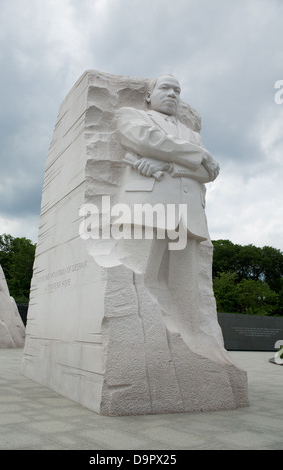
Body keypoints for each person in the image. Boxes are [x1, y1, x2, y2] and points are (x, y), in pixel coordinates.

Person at [114, 74, 231, 363]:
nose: (172, 94)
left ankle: (193, 345)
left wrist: (168, 164)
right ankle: (142, 345)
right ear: (149, 96)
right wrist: (198, 153)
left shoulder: (192, 133)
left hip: (188, 214)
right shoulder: (132, 115)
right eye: (165, 88)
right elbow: (145, 139)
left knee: (186, 288)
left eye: (177, 90)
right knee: (140, 276)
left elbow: (209, 173)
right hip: (149, 207)